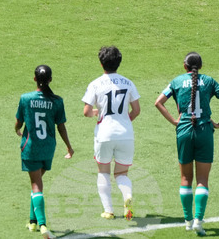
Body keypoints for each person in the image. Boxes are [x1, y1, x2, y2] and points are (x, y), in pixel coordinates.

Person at [155, 52, 219, 237]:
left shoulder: (176, 81)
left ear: (185, 66)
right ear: (201, 66)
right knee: (202, 180)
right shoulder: (209, 81)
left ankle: (188, 221)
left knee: (185, 179)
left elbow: (158, 102)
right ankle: (199, 220)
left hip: (184, 131)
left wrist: (175, 121)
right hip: (205, 131)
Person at [16, 64, 75, 239]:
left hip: (31, 147)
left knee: (36, 185)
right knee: (37, 182)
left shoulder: (26, 99)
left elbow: (19, 122)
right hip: (48, 147)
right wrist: (69, 146)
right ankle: (32, 222)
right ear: (50, 80)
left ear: (35, 79)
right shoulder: (57, 101)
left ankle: (42, 225)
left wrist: (17, 129)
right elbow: (61, 126)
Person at [82, 45, 141, 220]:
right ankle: (127, 197)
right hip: (126, 134)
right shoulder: (129, 83)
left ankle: (108, 211)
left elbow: (86, 111)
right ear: (119, 62)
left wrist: (96, 113)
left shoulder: (95, 84)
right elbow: (136, 110)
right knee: (122, 173)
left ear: (101, 64)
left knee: (103, 172)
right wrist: (124, 121)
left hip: (104, 134)